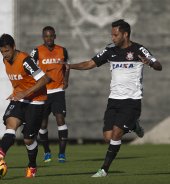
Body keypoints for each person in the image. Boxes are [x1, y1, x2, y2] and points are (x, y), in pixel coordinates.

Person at [66, 19, 162, 177]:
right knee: (108, 137)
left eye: (115, 35)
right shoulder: (110, 50)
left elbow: (158, 64)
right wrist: (70, 66)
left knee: (117, 133)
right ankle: (133, 126)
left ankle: (104, 169)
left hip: (131, 100)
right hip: (114, 100)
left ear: (125, 34)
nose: (113, 38)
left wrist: (150, 64)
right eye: (111, 35)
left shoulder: (139, 49)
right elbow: (90, 63)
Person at [0, 34, 50, 178]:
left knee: (28, 139)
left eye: (7, 51)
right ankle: (1, 151)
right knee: (10, 124)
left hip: (36, 101)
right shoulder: (5, 60)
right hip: (19, 99)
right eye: (2, 51)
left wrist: (25, 92)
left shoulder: (26, 60)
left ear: (13, 47)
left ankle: (32, 166)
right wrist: (17, 93)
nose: (4, 54)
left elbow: (45, 79)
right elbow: (19, 80)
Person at [30, 26, 70, 163]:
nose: (49, 38)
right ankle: (47, 152)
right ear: (43, 37)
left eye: (51, 36)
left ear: (55, 36)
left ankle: (62, 154)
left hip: (58, 91)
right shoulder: (36, 51)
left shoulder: (62, 50)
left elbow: (67, 66)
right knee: (43, 124)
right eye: (46, 36)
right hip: (43, 92)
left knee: (60, 120)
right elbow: (29, 69)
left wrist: (66, 79)